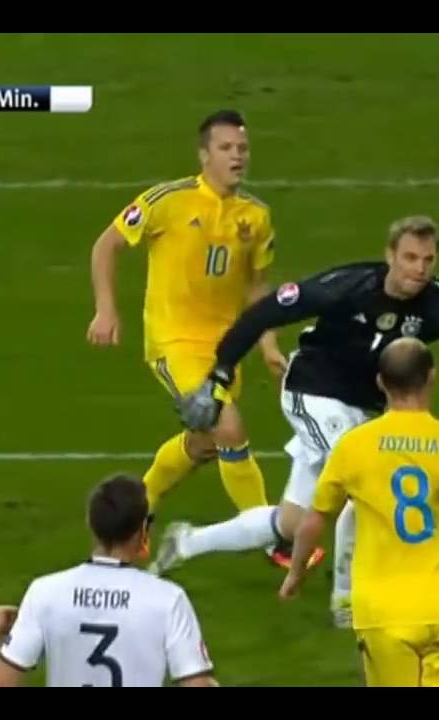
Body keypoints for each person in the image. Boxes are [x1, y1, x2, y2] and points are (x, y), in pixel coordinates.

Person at [173, 215, 439, 627]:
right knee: (367, 482)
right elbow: (262, 313)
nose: (420, 269)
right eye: (411, 257)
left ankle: (187, 542)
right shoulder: (349, 285)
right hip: (312, 391)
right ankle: (346, 599)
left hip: (360, 409)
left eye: (429, 260)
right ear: (390, 255)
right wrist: (219, 375)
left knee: (293, 522)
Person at [279, 337, 439, 686]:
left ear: (381, 383)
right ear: (431, 377)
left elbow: (314, 521)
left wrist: (295, 574)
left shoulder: (352, 447)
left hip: (379, 613)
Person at [86, 109, 286, 552]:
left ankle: (144, 506)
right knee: (228, 427)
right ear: (204, 155)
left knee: (204, 443)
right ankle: (274, 539)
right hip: (172, 341)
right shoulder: (167, 201)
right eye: (226, 148)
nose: (237, 156)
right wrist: (106, 310)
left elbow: (257, 287)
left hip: (225, 351)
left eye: (243, 148)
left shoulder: (256, 217)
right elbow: (107, 245)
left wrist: (269, 345)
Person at [0, 474, 217, 687]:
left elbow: (0, 682)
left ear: (90, 523)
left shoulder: (45, 593)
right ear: (142, 530)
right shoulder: (169, 600)